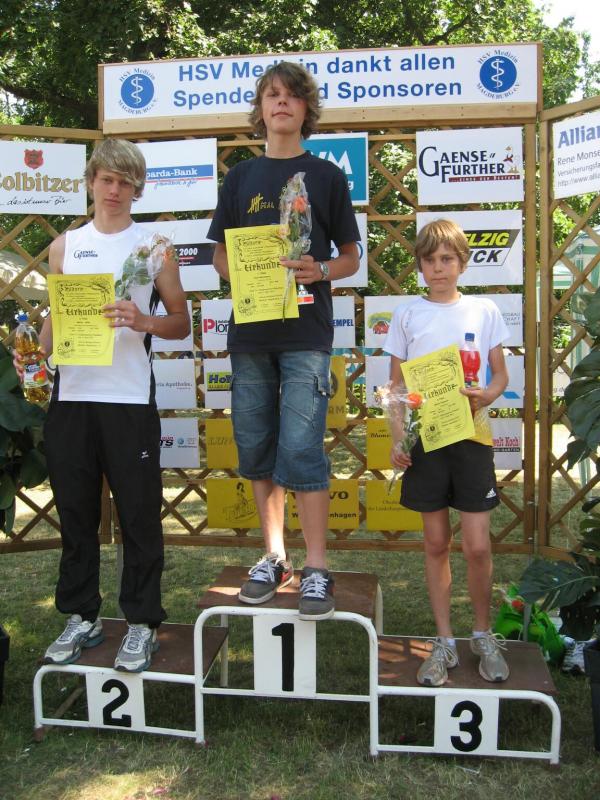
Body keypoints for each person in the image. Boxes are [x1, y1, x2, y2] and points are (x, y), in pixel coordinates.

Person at [14, 139, 190, 671]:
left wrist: (143, 321)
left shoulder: (155, 246)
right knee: (75, 514)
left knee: (139, 516)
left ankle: (141, 621)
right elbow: (55, 315)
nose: (114, 190)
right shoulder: (65, 246)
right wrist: (34, 356)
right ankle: (80, 615)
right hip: (72, 397)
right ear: (91, 182)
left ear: (138, 189)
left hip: (128, 399)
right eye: (106, 179)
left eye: (125, 182)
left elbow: (181, 322)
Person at [208, 62, 359, 620]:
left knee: (301, 449)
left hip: (306, 335)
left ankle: (316, 567)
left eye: (292, 96)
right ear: (261, 108)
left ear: (305, 109)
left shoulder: (326, 176)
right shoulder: (239, 177)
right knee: (255, 447)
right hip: (250, 333)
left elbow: (351, 256)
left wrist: (321, 270)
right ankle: (274, 556)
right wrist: (246, 276)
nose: (281, 103)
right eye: (272, 95)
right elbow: (218, 254)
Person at [383, 219, 510, 686]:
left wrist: (487, 395)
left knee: (477, 546)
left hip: (472, 439)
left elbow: (500, 376)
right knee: (436, 543)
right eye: (429, 260)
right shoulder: (407, 314)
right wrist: (398, 438)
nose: (438, 268)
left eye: (447, 259)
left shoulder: (484, 310)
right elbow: (395, 388)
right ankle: (444, 640)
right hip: (426, 443)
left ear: (462, 263)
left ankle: (482, 633)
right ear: (419, 265)